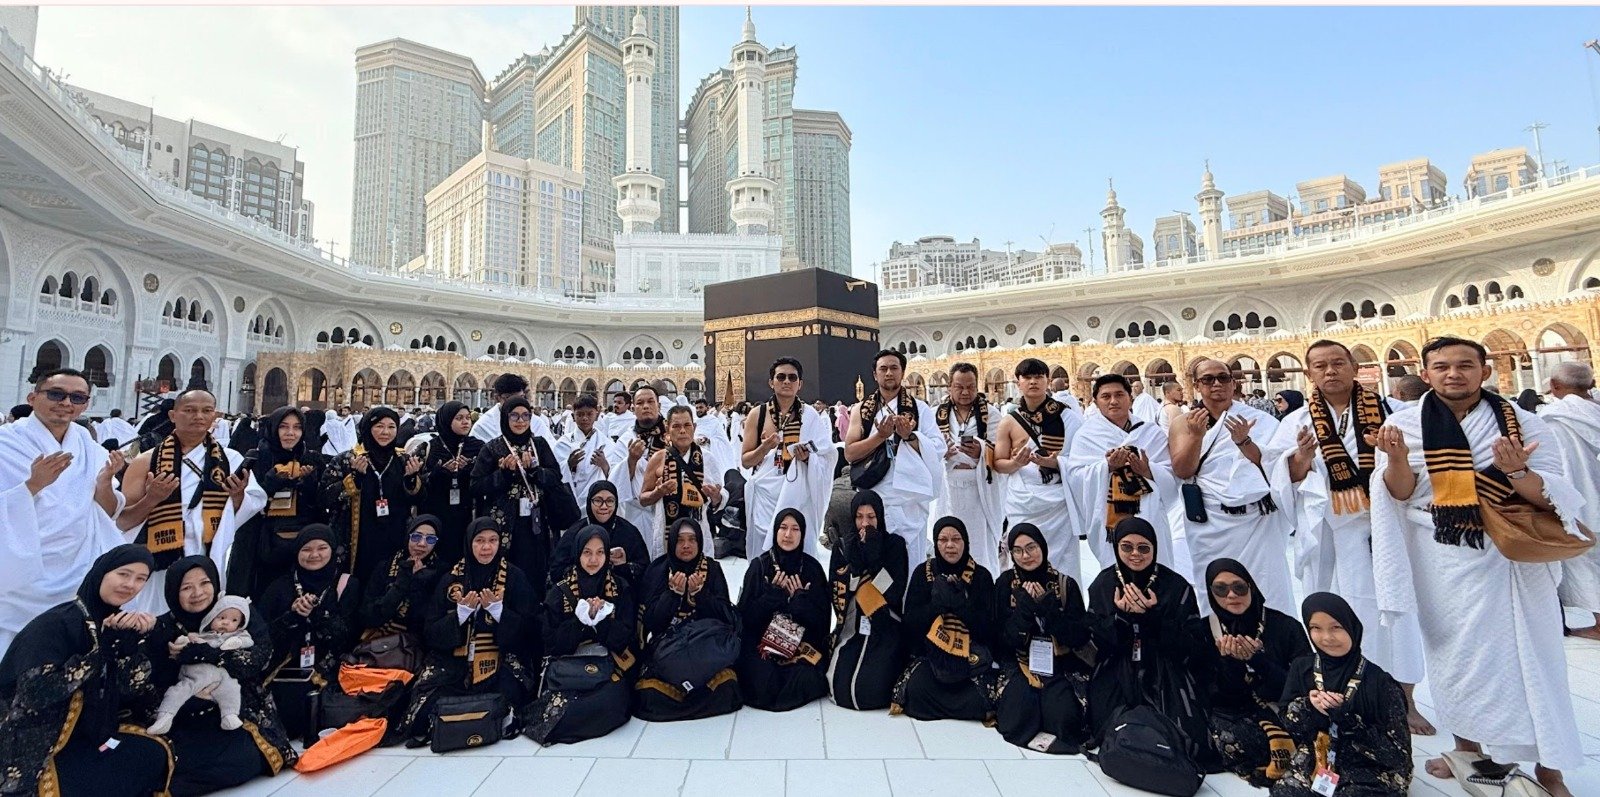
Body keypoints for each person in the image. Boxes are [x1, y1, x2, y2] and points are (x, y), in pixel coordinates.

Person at [1371, 336, 1585, 796]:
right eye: (1442, 366)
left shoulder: (1524, 423)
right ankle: (1466, 751)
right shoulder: (1402, 425)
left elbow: (1555, 495)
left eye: (1465, 365)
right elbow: (1401, 494)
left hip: (1512, 557)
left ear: (1484, 372)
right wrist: (1396, 460)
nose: (1454, 374)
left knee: (1534, 660)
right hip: (1441, 556)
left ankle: (1550, 769)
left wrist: (1518, 473)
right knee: (1456, 658)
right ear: (1425, 374)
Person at [1266, 340, 1430, 733]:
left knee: (1395, 612)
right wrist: (1301, 459)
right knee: (1330, 611)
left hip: (1383, 528)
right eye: (1320, 365)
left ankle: (1404, 699)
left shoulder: (1391, 412)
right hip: (1327, 532)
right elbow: (1280, 479)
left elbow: (1416, 471)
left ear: (1355, 366)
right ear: (1309, 373)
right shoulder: (1296, 421)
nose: (1330, 371)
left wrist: (1394, 457)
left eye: (1338, 363)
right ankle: (1335, 692)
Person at [0, 545, 172, 797]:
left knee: (153, 753)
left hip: (90, 737)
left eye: (140, 579)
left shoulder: (114, 623)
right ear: (101, 573)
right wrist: (100, 653)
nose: (130, 585)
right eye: (123, 574)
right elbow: (34, 693)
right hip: (36, 745)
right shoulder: (56, 624)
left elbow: (129, 692)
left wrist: (133, 650)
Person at [142, 555, 295, 794]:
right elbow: (151, 683)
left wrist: (209, 654)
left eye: (205, 583)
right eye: (186, 587)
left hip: (240, 708)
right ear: (172, 591)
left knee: (244, 758)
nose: (198, 593)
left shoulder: (236, 610)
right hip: (186, 714)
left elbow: (260, 658)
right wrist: (193, 698)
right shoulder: (163, 628)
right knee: (172, 758)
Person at [0, 368, 126, 658]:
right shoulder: (5, 443)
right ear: (33, 397)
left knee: (67, 650)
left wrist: (105, 483)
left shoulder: (88, 446)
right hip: (21, 568)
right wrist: (32, 486)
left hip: (77, 565)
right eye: (56, 394)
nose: (67, 403)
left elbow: (107, 511)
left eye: (77, 397)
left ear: (86, 404)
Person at [118, 389, 267, 613]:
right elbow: (123, 521)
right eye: (189, 410)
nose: (198, 416)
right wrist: (152, 499)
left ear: (214, 416)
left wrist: (237, 496)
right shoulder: (146, 462)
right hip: (160, 558)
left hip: (207, 554)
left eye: (206, 411)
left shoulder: (230, 460)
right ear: (173, 415)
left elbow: (242, 511)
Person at [1085, 518, 1215, 769]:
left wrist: (1152, 619)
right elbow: (1096, 643)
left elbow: (1192, 646)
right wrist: (1121, 619)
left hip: (1165, 666)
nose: (1135, 554)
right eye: (1127, 547)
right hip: (1118, 666)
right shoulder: (1104, 583)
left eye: (1143, 548)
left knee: (1183, 731)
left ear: (1154, 548)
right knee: (1107, 721)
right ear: (1117, 548)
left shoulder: (1175, 586)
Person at [401, 518, 539, 745]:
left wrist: (499, 613)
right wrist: (459, 616)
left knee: (510, 696)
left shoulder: (514, 577)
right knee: (421, 711)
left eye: (493, 541)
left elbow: (531, 630)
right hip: (453, 664)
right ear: (469, 542)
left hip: (499, 660)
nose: (486, 547)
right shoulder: (450, 579)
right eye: (480, 541)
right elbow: (431, 632)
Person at [1170, 358, 1292, 612]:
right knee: (1214, 583)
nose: (1216, 384)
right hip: (1209, 521)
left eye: (1223, 378)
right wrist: (1196, 437)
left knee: (1266, 584)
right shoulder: (1184, 423)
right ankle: (1219, 634)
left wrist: (1244, 442)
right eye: (1208, 379)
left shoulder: (1260, 420)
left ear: (1233, 383)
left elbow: (1275, 468)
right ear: (1196, 385)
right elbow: (1183, 471)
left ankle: (1271, 633)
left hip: (1257, 519)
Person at [1271, 593, 1412, 797]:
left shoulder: (1380, 682)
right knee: (1285, 792)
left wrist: (1347, 719)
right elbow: (1288, 725)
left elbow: (1398, 756)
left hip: (1369, 764)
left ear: (1351, 627)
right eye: (1316, 628)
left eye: (1336, 627)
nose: (1327, 637)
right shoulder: (1303, 668)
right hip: (1319, 756)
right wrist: (1309, 707)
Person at [525, 524, 638, 745]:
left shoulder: (620, 587)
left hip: (607, 663)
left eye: (600, 552)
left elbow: (626, 638)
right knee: (563, 704)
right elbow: (550, 643)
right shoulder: (559, 591)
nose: (593, 560)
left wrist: (601, 622)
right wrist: (579, 623)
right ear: (577, 553)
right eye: (587, 552)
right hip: (568, 663)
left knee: (610, 701)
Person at [1202, 558, 1311, 787]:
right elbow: (1214, 696)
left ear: (1251, 587)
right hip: (1237, 716)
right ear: (1211, 593)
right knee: (1220, 736)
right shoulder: (1204, 631)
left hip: (1281, 709)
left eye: (1239, 587)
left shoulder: (1286, 626)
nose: (1232, 595)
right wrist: (1230, 663)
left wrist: (1258, 661)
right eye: (1221, 589)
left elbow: (1302, 685)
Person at [990, 523, 1093, 754]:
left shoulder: (1065, 584)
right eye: (1018, 550)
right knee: (1018, 713)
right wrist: (1023, 613)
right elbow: (1000, 640)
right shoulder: (1005, 584)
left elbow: (1079, 637)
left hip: (1059, 664)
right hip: (1019, 662)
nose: (1025, 556)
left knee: (1063, 716)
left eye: (1031, 548)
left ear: (1043, 548)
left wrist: (1050, 611)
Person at [1066, 374, 1184, 574]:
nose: (1113, 401)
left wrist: (1148, 470)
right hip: (1107, 515)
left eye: (1119, 395)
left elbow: (1172, 474)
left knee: (1154, 565)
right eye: (1106, 396)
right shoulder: (1086, 435)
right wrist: (1106, 467)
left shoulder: (1150, 432)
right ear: (1096, 402)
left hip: (1149, 511)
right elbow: (1075, 477)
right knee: (1115, 570)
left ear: (1130, 398)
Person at [843, 349, 946, 565]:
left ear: (902, 372)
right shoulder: (862, 410)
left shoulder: (919, 409)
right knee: (877, 561)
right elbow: (850, 453)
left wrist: (910, 436)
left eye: (894, 368)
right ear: (875, 375)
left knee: (910, 561)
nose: (889, 373)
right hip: (875, 493)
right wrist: (880, 436)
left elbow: (938, 447)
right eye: (883, 369)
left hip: (909, 496)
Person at [634, 518, 742, 721]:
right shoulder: (658, 570)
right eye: (680, 540)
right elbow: (650, 623)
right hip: (669, 653)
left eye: (692, 540)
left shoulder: (712, 569)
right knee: (648, 695)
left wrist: (701, 595)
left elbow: (727, 619)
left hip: (705, 650)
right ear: (671, 542)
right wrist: (672, 595)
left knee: (728, 687)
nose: (686, 545)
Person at [890, 516, 996, 722]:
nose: (950, 545)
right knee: (917, 689)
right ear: (936, 543)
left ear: (965, 542)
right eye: (943, 540)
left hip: (969, 656)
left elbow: (989, 630)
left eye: (956, 539)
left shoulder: (981, 576)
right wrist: (936, 606)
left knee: (978, 698)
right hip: (932, 656)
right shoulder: (923, 573)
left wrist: (961, 606)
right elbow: (910, 625)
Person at [258, 527, 359, 737]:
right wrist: (291, 617)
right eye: (306, 549)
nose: (314, 555)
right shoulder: (279, 587)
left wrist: (318, 614)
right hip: (286, 668)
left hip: (332, 667)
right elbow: (262, 636)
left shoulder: (346, 584)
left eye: (322, 548)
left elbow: (349, 636)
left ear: (333, 550)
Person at [471, 396, 572, 598]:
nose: (520, 421)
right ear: (505, 418)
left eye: (526, 416)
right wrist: (503, 475)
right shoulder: (493, 448)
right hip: (503, 524)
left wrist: (535, 472)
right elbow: (476, 486)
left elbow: (555, 476)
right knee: (505, 573)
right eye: (514, 416)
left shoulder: (539, 445)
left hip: (536, 522)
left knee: (535, 570)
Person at [994, 358, 1084, 578]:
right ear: (1018, 382)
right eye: (1027, 377)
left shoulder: (1067, 417)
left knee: (1062, 565)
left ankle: (1064, 595)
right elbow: (998, 463)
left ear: (1048, 381)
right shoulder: (1009, 422)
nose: (1033, 382)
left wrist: (1056, 463)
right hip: (1022, 502)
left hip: (1058, 503)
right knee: (1023, 556)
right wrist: (1016, 463)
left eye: (1038, 377)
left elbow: (1082, 461)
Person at [736, 509, 831, 712]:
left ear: (803, 534)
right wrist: (771, 597)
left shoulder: (812, 569)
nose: (788, 535)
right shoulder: (759, 566)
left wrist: (800, 602)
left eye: (795, 529)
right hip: (762, 645)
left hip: (801, 644)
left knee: (806, 675)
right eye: (783, 528)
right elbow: (743, 618)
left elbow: (823, 623)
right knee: (761, 677)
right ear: (775, 531)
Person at [741, 358, 837, 559]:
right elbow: (746, 461)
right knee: (765, 555)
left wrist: (808, 459)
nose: (786, 381)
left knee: (797, 547)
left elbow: (828, 455)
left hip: (799, 493)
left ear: (799, 384)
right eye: (781, 377)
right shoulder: (758, 414)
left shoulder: (810, 416)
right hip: (765, 495)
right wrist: (765, 447)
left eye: (792, 378)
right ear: (771, 382)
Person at [827, 490, 910, 711]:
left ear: (880, 517)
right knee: (840, 684)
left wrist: (873, 560)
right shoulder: (843, 546)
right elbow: (837, 590)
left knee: (869, 687)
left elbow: (895, 590)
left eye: (871, 517)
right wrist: (856, 564)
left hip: (885, 622)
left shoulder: (894, 545)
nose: (865, 523)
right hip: (853, 623)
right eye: (859, 517)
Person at [322, 407, 424, 580]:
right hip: (357, 539)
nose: (385, 432)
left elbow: (419, 500)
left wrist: (411, 479)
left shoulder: (403, 460)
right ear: (368, 428)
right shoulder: (347, 460)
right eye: (379, 426)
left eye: (391, 427)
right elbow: (325, 498)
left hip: (394, 536)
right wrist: (353, 479)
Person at [239, 406, 328, 599]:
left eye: (297, 427)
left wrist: (308, 485)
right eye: (284, 427)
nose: (290, 433)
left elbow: (322, 505)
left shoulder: (310, 459)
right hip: (265, 544)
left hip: (301, 543)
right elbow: (242, 504)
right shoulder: (258, 459)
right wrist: (269, 485)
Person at [1539, 361, 1600, 639]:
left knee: (1586, 564)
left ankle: (1598, 624)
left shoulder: (1551, 419)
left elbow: (1555, 466)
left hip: (1578, 501)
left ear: (1554, 386)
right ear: (1592, 385)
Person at [933, 363, 1007, 575]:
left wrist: (981, 450)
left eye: (970, 387)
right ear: (949, 387)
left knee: (979, 543)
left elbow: (1001, 451)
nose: (965, 392)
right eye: (959, 387)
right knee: (950, 537)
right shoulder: (936, 414)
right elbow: (928, 448)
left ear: (977, 386)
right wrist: (942, 451)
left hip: (979, 491)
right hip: (949, 488)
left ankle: (983, 581)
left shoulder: (991, 415)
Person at [146, 595, 253, 735]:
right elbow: (186, 642)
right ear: (212, 617)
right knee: (180, 690)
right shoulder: (203, 635)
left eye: (234, 620)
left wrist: (236, 642)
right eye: (221, 618)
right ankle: (165, 716)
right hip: (197, 672)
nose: (226, 623)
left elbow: (248, 641)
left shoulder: (238, 635)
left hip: (220, 674)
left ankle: (229, 715)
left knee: (232, 687)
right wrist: (185, 641)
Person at [639, 405, 729, 557]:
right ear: (667, 429)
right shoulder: (658, 458)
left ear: (694, 427)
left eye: (687, 425)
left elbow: (720, 500)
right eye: (676, 426)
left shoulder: (707, 458)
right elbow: (643, 499)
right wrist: (658, 492)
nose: (682, 431)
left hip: (699, 531)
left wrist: (716, 497)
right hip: (666, 534)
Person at [356, 515, 444, 659]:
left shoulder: (440, 572)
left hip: (414, 651)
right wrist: (401, 584)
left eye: (430, 539)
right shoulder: (386, 567)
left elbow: (426, 625)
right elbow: (367, 616)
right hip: (376, 645)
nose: (422, 544)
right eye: (416, 537)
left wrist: (417, 582)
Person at [549, 480, 650, 597]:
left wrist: (622, 566)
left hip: (620, 597)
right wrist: (585, 565)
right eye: (598, 501)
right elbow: (557, 571)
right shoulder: (575, 532)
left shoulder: (628, 532)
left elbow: (644, 572)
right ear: (589, 502)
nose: (604, 506)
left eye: (610, 501)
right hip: (579, 597)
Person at [606, 384, 669, 553]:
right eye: (640, 403)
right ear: (633, 409)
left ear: (658, 405)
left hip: (670, 510)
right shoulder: (626, 440)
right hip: (638, 514)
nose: (646, 406)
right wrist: (631, 460)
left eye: (650, 402)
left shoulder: (672, 434)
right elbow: (615, 482)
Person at [418, 402, 484, 557]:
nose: (465, 422)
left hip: (467, 513)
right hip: (437, 513)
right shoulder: (430, 448)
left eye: (468, 418)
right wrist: (439, 473)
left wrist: (470, 470)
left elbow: (484, 481)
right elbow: (417, 484)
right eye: (459, 418)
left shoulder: (478, 447)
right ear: (447, 420)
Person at [555, 394, 612, 502]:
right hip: (570, 498)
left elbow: (616, 475)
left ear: (597, 415)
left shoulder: (606, 444)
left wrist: (604, 465)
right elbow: (554, 472)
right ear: (573, 417)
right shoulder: (563, 443)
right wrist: (568, 464)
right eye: (580, 414)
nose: (585, 418)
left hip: (596, 500)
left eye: (589, 414)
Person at [471, 373, 554, 447]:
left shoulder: (536, 422)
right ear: (497, 398)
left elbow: (551, 449)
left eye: (520, 397)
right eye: (509, 398)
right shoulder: (484, 425)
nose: (515, 402)